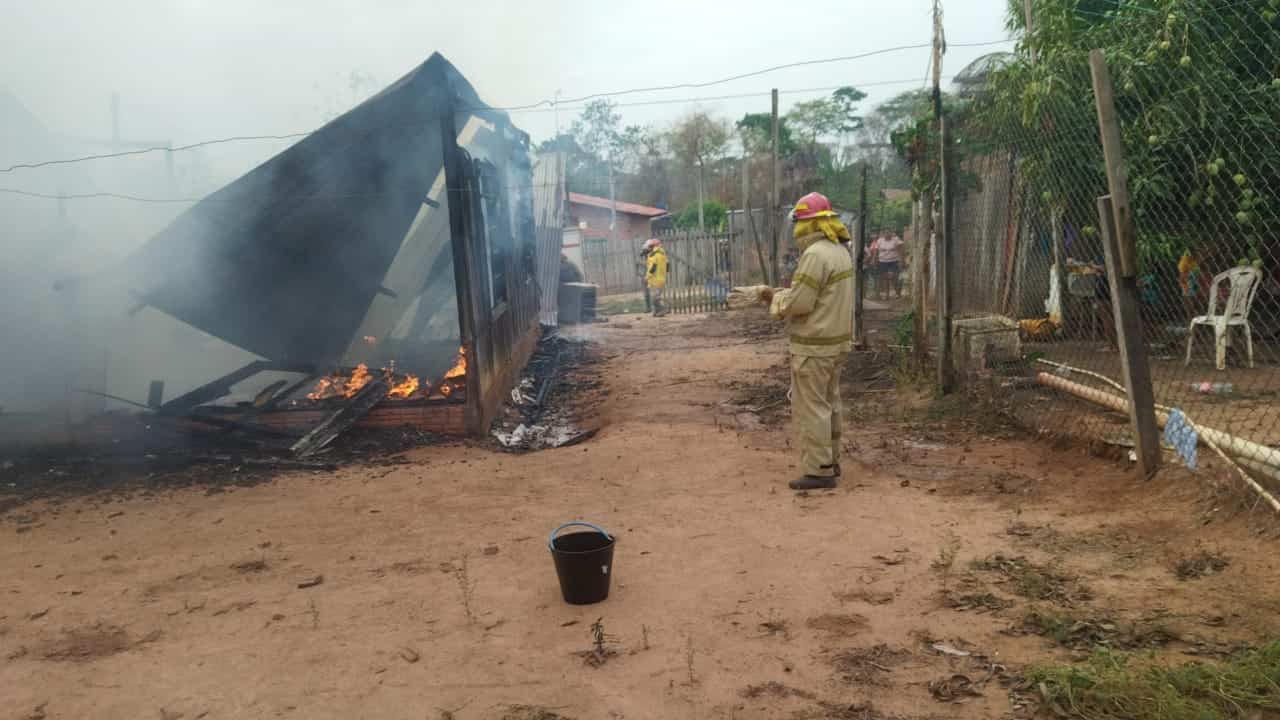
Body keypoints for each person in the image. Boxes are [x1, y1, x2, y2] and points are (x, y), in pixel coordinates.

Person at [758, 191, 854, 491]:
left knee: (811, 408)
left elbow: (801, 303)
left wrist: (775, 300)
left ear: (805, 224)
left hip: (814, 346)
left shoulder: (814, 255)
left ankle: (819, 470)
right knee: (830, 403)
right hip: (836, 343)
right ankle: (831, 460)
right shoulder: (839, 250)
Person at [643, 238, 669, 317]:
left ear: (653, 246)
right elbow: (667, 265)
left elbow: (652, 268)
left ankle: (663, 309)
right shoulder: (662, 254)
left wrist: (647, 277)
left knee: (655, 297)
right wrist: (664, 274)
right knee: (656, 296)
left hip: (655, 280)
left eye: (649, 247)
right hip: (661, 278)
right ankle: (656, 312)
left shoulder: (654, 255)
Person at [876, 231, 905, 299]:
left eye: (888, 232)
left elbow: (901, 249)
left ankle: (897, 293)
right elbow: (876, 251)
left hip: (894, 261)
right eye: (885, 233)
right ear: (883, 234)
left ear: (891, 233)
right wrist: (875, 260)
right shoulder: (880, 240)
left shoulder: (896, 240)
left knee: (894, 277)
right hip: (883, 261)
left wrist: (902, 260)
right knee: (885, 278)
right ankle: (887, 294)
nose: (887, 234)